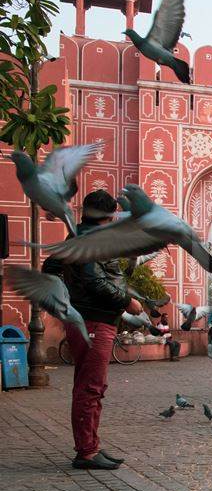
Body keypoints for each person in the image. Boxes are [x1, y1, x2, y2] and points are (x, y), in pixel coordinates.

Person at [42, 190, 143, 470]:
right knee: (90, 388)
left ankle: (91, 446)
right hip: (94, 322)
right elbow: (94, 282)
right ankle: (86, 452)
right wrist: (128, 302)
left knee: (91, 386)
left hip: (89, 320)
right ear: (109, 216)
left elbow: (50, 267)